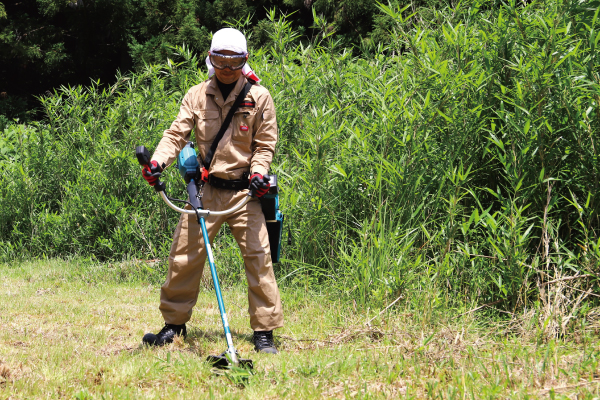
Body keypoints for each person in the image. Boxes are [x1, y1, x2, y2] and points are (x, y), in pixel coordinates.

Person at [140, 28, 283, 354]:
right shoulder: (197, 94)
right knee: (183, 258)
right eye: (220, 59)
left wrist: (259, 174)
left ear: (244, 60)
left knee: (259, 259)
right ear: (211, 58)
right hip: (204, 191)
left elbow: (265, 146)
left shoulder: (259, 97)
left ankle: (264, 332)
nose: (227, 67)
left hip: (245, 194)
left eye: (234, 61)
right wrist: (158, 163)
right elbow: (176, 135)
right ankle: (174, 326)